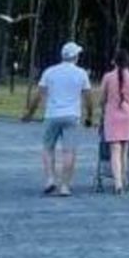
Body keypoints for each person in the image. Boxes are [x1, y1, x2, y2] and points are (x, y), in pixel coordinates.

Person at [22, 41, 94, 197]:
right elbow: (88, 97)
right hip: (72, 116)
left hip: (52, 115)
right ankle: (65, 186)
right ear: (75, 57)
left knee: (48, 148)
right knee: (69, 151)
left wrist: (30, 113)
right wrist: (89, 116)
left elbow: (39, 95)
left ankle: (50, 179)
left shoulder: (49, 72)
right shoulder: (81, 73)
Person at [99, 49, 129, 194]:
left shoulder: (107, 77)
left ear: (114, 62)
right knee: (125, 150)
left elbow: (102, 99)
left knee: (114, 150)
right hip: (128, 115)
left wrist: (102, 110)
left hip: (112, 116)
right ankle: (124, 178)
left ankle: (118, 184)